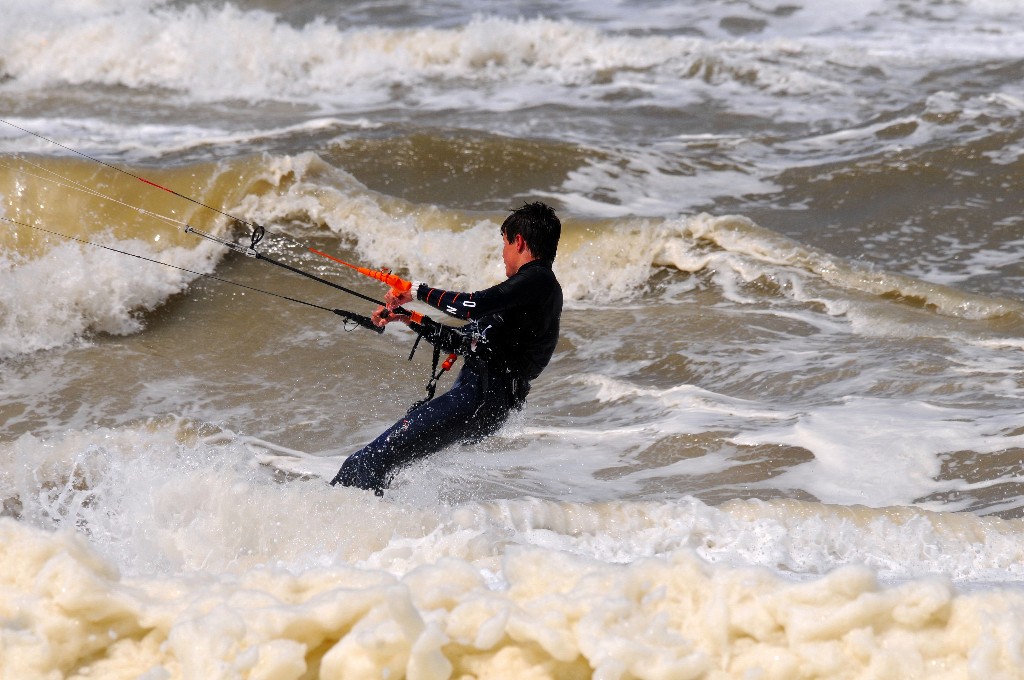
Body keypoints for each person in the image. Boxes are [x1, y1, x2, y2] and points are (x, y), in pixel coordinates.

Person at [330, 201, 563, 495]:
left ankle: (321, 523)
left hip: (478, 398)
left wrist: (416, 290)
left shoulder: (538, 280)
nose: (503, 254)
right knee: (380, 466)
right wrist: (408, 317)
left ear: (519, 241)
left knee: (364, 464)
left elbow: (473, 305)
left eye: (504, 244)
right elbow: (464, 340)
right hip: (484, 403)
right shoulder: (529, 293)